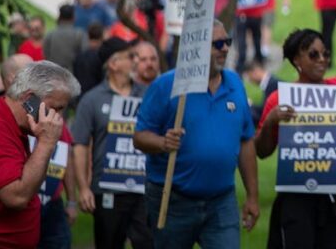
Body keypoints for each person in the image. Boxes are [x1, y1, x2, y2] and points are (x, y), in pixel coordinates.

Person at [133, 20, 260, 247]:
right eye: (217, 44)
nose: (225, 48)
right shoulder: (167, 85)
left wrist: (252, 196)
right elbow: (140, 136)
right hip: (173, 201)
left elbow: (246, 141)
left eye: (227, 42)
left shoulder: (235, 84)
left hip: (221, 201)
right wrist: (163, 142)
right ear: (196, 48)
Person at [255, 28, 336, 248]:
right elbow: (262, 151)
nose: (322, 60)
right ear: (297, 60)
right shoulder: (280, 99)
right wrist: (271, 121)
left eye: (326, 54)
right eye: (313, 55)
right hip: (297, 194)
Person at [70, 37, 152, 249]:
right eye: (130, 57)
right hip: (107, 190)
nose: (136, 61)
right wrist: (84, 188)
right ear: (113, 64)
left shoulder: (147, 96)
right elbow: (79, 145)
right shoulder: (91, 100)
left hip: (143, 190)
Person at [0, 61, 80, 248]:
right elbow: (16, 197)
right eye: (57, 108)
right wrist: (46, 142)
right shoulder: (1, 126)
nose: (58, 118)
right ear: (29, 100)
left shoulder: (18, 125)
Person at [43, 5, 86, 74]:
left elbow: (46, 55)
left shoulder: (50, 35)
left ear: (59, 17)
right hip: (72, 77)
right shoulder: (79, 35)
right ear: (73, 17)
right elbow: (84, 57)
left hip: (53, 75)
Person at [74, 24, 107, 98]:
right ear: (102, 37)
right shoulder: (102, 57)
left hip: (81, 96)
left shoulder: (79, 56)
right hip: (96, 97)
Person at [242, 61, 278, 127]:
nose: (251, 81)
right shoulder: (270, 83)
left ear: (255, 72)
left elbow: (264, 113)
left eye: (250, 77)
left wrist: (250, 105)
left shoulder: (272, 84)